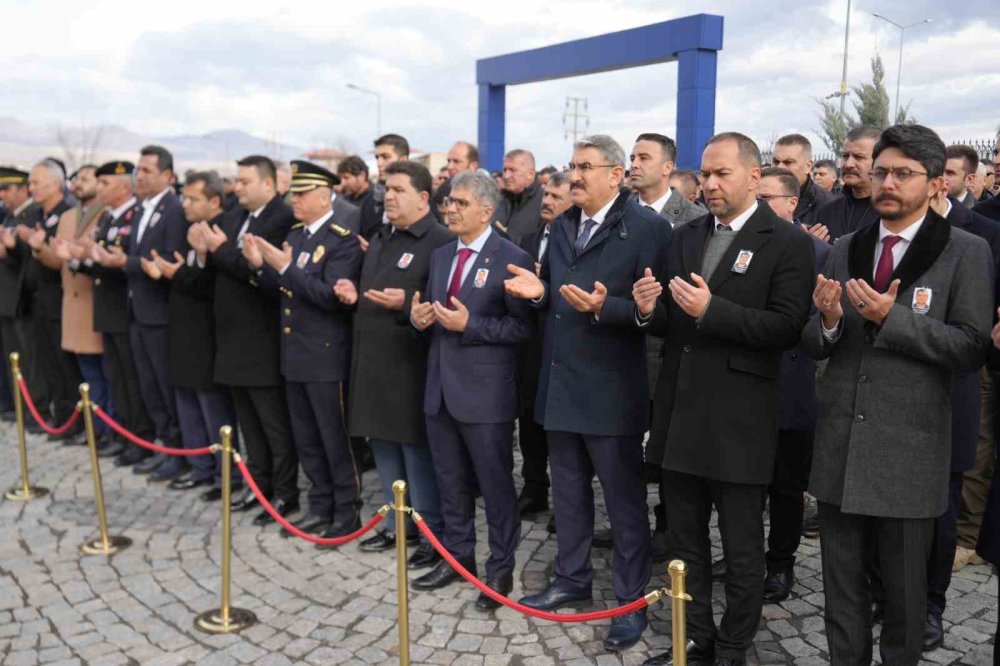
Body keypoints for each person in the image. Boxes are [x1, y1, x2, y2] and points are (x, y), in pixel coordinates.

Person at [803, 124, 992, 665]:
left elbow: (971, 347)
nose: (888, 182)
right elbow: (815, 342)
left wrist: (895, 319)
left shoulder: (965, 251)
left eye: (903, 174)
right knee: (841, 597)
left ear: (934, 184)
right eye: (882, 171)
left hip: (909, 455)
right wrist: (832, 321)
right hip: (841, 448)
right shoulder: (844, 248)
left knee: (905, 603)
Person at [636, 134, 814, 666]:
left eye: (723, 174)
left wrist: (713, 311)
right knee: (684, 545)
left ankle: (735, 645)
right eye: (706, 175)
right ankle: (695, 637)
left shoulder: (787, 241)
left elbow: (785, 327)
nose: (710, 185)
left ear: (754, 177)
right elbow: (675, 319)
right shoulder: (687, 235)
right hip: (680, 415)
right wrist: (649, 311)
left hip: (740, 421)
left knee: (741, 548)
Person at [505, 134, 670, 652]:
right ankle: (571, 579)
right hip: (560, 386)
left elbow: (658, 314)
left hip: (612, 390)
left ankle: (629, 598)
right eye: (572, 166)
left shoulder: (650, 229)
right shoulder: (561, 226)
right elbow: (553, 290)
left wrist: (610, 307)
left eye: (585, 167)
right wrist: (538, 294)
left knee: (623, 503)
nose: (573, 176)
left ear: (616, 175)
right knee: (569, 493)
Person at [410, 171, 534, 610]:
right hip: (441, 388)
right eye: (449, 202)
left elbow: (523, 327)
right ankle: (457, 557)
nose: (450, 209)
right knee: (450, 481)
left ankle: (500, 569)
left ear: (487, 209)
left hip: (485, 396)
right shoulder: (442, 255)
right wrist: (418, 319)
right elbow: (433, 311)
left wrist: (471, 326)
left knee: (495, 484)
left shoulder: (512, 256)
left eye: (460, 203)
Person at [337, 161, 453, 567]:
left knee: (415, 452)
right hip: (372, 361)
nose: (388, 196)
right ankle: (394, 522)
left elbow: (445, 304)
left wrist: (407, 304)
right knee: (382, 445)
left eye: (398, 189)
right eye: (386, 189)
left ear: (423, 198)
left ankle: (428, 531)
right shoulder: (380, 236)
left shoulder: (439, 241)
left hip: (410, 365)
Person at [244, 160, 363, 540]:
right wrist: (261, 267)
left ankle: (347, 511)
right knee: (307, 439)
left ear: (325, 195)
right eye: (294, 192)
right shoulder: (295, 236)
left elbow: (329, 297)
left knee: (334, 438)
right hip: (295, 352)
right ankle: (319, 504)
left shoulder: (342, 239)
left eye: (302, 193)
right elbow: (283, 290)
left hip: (325, 356)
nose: (294, 199)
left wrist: (285, 268)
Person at [920, 178, 1000, 650]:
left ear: (936, 184)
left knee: (941, 504)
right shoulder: (879, 232)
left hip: (954, 383)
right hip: (893, 393)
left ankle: (931, 604)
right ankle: (886, 592)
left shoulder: (983, 232)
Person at [199, 155, 298, 522]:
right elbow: (224, 263)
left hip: (263, 339)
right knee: (249, 425)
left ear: (268, 185)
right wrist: (209, 252)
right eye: (236, 181)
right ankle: (260, 487)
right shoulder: (232, 217)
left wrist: (221, 250)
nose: (236, 187)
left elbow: (260, 273)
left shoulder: (281, 220)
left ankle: (285, 495)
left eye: (244, 181)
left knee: (273, 424)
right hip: (231, 338)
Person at [92, 146, 186, 481]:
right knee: (148, 387)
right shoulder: (146, 209)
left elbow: (167, 260)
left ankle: (179, 452)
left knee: (164, 385)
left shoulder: (173, 209)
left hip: (159, 314)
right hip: (138, 311)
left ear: (167, 176)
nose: (139, 175)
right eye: (139, 170)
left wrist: (125, 263)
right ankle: (164, 445)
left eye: (147, 170)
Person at [758, 166, 830, 603]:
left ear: (791, 203)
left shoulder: (816, 252)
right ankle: (746, 555)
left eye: (768, 197)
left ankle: (780, 563)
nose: (761, 203)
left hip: (792, 385)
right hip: (743, 385)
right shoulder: (740, 245)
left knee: (786, 487)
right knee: (744, 482)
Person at [148, 171, 240, 498]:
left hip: (208, 332)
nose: (185, 204)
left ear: (214, 201)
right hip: (184, 329)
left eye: (193, 199)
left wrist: (191, 265)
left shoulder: (224, 229)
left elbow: (211, 284)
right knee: (188, 401)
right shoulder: (192, 228)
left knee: (212, 407)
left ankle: (225, 476)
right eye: (184, 197)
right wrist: (181, 270)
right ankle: (200, 467)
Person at [82, 162, 157, 464]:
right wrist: (82, 259)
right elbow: (102, 260)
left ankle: (140, 438)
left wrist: (102, 260)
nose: (99, 189)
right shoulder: (109, 217)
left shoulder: (133, 215)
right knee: (117, 378)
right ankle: (124, 434)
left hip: (125, 306)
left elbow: (127, 262)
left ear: (124, 187)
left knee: (132, 378)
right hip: (108, 308)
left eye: (105, 183)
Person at [515, 171, 573, 522]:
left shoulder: (575, 240)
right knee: (528, 424)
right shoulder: (528, 237)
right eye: (546, 195)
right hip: (529, 344)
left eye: (556, 196)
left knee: (559, 430)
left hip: (561, 343)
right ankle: (533, 488)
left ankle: (565, 501)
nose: (547, 201)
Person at [51, 165, 112, 446]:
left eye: (87, 179)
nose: (79, 183)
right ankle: (92, 428)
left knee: (105, 374)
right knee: (86, 373)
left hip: (94, 302)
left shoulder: (107, 214)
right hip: (72, 304)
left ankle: (106, 430)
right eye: (78, 178)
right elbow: (56, 260)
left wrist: (78, 255)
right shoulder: (67, 216)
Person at [24, 159, 81, 442]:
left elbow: (58, 261)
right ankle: (60, 416)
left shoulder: (67, 214)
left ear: (56, 185)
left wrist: (39, 248)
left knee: (66, 364)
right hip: (38, 300)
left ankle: (74, 420)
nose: (30, 188)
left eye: (37, 183)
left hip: (61, 300)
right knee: (49, 362)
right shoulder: (36, 213)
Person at [0, 167, 49, 430]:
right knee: (14, 359)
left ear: (22, 189)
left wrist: (9, 250)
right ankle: (21, 407)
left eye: (7, 189)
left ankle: (37, 410)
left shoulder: (31, 216)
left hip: (23, 300)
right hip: (7, 300)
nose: (3, 195)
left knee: (30, 361)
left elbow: (26, 260)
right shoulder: (9, 217)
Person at [814, 125, 883, 242]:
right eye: (845, 156)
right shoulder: (828, 211)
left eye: (858, 157)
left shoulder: (891, 213)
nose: (848, 164)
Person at [629, 133, 705, 229]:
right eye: (632, 159)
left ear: (667, 167)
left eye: (644, 158)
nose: (634, 165)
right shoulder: (617, 211)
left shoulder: (699, 219)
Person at [771, 133, 836, 229]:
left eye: (788, 162)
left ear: (808, 166)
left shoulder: (830, 205)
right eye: (776, 162)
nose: (779, 167)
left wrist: (810, 242)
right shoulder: (758, 198)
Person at [360, 134, 410, 240]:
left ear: (403, 161)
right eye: (377, 158)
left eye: (385, 157)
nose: (379, 163)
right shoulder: (370, 200)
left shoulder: (417, 198)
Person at [494, 149, 544, 244]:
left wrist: (506, 238)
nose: (506, 176)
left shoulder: (545, 203)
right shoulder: (499, 199)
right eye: (505, 170)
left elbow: (543, 245)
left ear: (531, 174)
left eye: (512, 170)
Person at [943, 144, 980, 209]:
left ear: (969, 180)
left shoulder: (980, 213)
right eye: (939, 170)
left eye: (950, 173)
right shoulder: (924, 207)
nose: (942, 178)